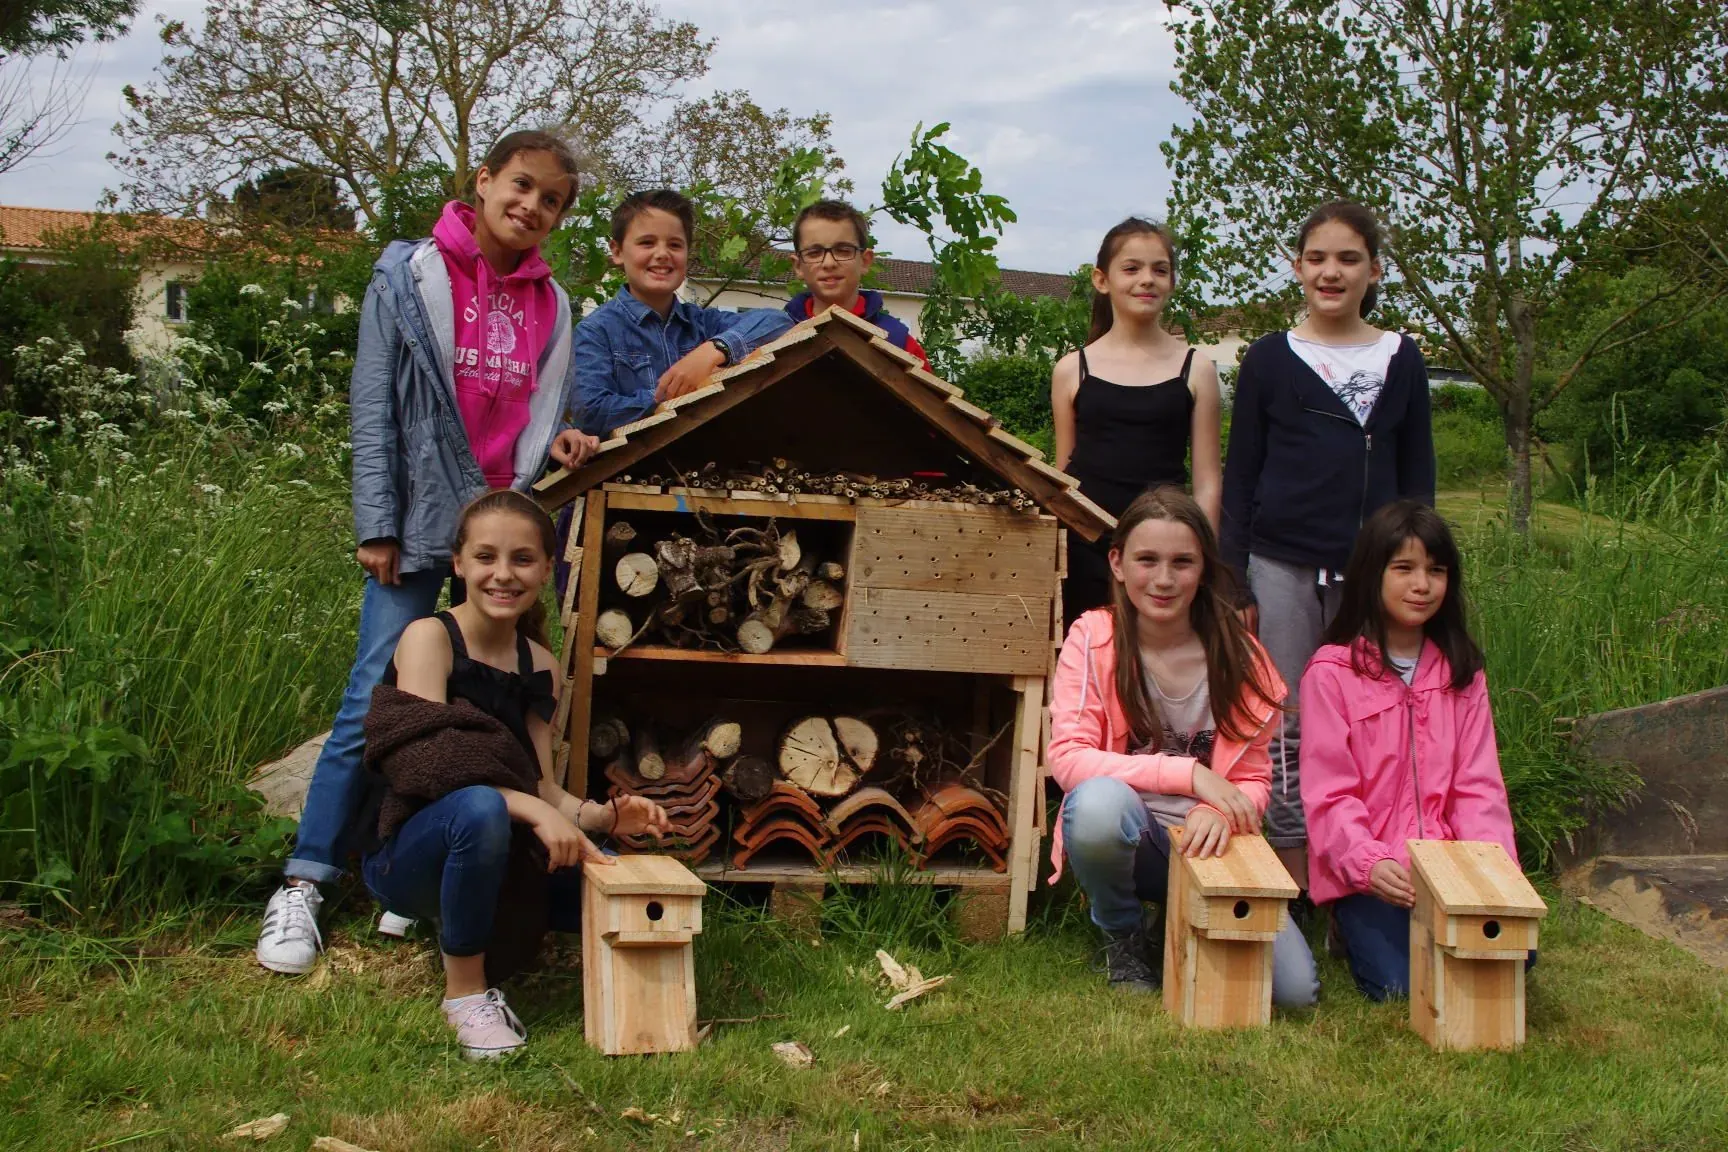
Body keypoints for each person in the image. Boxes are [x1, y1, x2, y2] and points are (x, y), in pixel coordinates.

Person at [256, 130, 602, 976]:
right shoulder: (409, 277)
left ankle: (430, 858)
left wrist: (559, 445)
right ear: (482, 182)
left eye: (550, 200)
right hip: (418, 519)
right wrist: (377, 521)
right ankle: (305, 880)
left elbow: (529, 405)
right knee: (380, 691)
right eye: (520, 186)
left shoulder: (554, 304)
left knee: (490, 695)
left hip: (500, 524)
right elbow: (374, 406)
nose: (530, 207)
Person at [362, 489, 671, 1059]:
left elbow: (543, 787)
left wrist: (604, 815)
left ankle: (643, 997)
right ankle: (465, 995)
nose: (502, 575)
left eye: (522, 559)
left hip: (498, 850)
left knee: (613, 875)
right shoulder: (430, 638)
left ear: (547, 568)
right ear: (458, 563)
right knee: (479, 809)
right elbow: (427, 764)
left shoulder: (540, 666)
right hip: (407, 853)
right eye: (485, 557)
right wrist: (526, 807)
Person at [1219, 200, 1436, 892]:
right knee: (1283, 721)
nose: (1331, 272)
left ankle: (1359, 877)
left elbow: (1419, 476)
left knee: (1366, 723)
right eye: (1317, 259)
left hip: (1372, 575)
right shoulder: (1270, 359)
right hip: (1280, 564)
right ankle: (1291, 874)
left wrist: (1414, 570)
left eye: (1348, 259)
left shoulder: (1401, 358)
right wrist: (1233, 578)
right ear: (1297, 268)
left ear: (1375, 270)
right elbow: (1241, 472)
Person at [1047, 487, 1317, 1004]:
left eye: (1182, 562)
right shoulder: (1095, 637)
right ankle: (1122, 935)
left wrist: (1228, 813)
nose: (1164, 579)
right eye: (1147, 560)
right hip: (1135, 834)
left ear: (1204, 569)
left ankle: (1171, 918)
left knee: (1294, 992)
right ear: (1118, 563)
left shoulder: (1241, 656)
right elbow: (1068, 760)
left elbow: (1257, 778)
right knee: (1097, 806)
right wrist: (1192, 776)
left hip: (1214, 842)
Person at [1300, 500, 1525, 1001]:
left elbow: (1478, 787)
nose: (1421, 585)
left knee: (1508, 961)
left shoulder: (1461, 672)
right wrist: (1366, 863)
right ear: (1370, 575)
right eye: (1403, 568)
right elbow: (1329, 796)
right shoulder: (1331, 673)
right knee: (1403, 989)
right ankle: (1345, 926)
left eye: (1436, 570)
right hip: (1376, 876)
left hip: (1449, 868)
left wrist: (1493, 874)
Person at [1052, 218, 1222, 627]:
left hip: (1165, 553)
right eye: (1132, 268)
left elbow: (1208, 481)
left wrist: (1201, 558)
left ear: (1172, 281)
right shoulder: (1072, 369)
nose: (1147, 280)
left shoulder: (1196, 368)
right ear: (1102, 279)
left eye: (1159, 269)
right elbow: (1061, 477)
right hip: (1085, 549)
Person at [573, 188, 793, 438]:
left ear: (688, 252)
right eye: (647, 242)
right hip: (629, 470)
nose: (662, 254)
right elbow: (590, 413)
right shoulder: (596, 331)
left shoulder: (704, 323)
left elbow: (779, 322)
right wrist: (685, 389)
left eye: (675, 245)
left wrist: (713, 351)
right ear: (617, 251)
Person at [781, 198, 929, 367]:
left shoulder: (899, 342)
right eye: (814, 253)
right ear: (798, 266)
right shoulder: (775, 335)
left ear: (865, 261)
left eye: (843, 251)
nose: (829, 263)